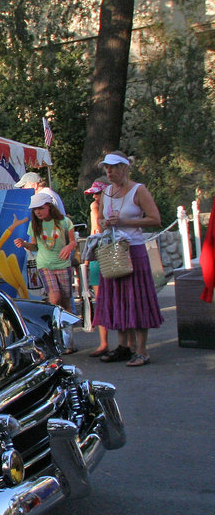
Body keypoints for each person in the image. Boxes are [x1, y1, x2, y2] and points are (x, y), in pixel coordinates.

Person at [93, 151, 163, 367]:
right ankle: (123, 346)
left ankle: (141, 349)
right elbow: (102, 219)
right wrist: (106, 223)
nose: (109, 171)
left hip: (133, 249)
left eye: (113, 167)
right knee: (117, 298)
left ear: (125, 168)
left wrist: (124, 221)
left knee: (137, 298)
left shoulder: (138, 190)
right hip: (113, 250)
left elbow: (155, 219)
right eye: (107, 168)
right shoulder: (106, 193)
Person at [14, 193, 77, 330]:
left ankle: (68, 339)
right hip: (44, 265)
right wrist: (24, 244)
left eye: (41, 208)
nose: (38, 212)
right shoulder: (34, 224)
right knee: (54, 298)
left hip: (62, 264)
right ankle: (52, 333)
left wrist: (68, 247)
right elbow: (34, 246)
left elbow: (73, 242)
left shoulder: (64, 222)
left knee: (66, 302)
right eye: (35, 209)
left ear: (49, 207)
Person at [84, 180, 110, 356]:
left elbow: (99, 227)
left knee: (111, 299)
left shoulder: (107, 207)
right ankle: (104, 343)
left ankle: (115, 343)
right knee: (99, 300)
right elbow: (96, 229)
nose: (95, 197)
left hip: (108, 253)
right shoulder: (95, 206)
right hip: (98, 253)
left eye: (98, 193)